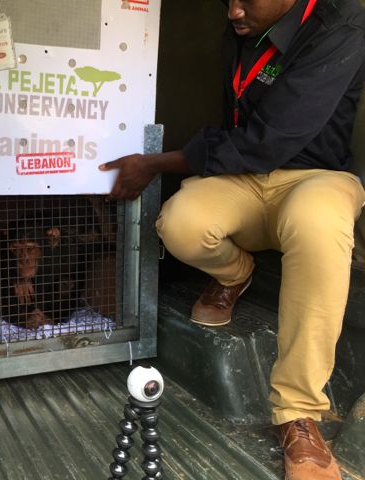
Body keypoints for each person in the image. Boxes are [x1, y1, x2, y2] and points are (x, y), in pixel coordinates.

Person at [100, 0, 365, 479]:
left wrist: (155, 162)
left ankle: (298, 413)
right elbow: (242, 130)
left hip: (316, 176)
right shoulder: (243, 30)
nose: (233, 11)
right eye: (227, 0)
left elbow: (269, 139)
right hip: (248, 176)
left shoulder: (341, 24)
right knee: (180, 221)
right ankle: (236, 273)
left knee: (319, 222)